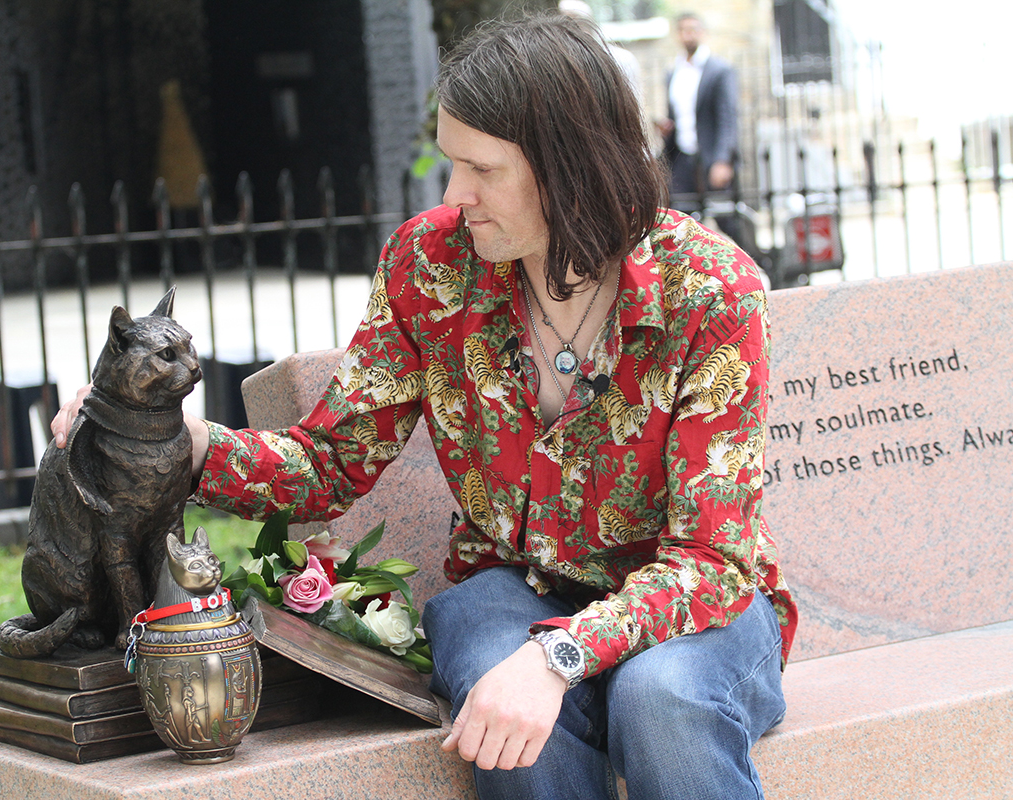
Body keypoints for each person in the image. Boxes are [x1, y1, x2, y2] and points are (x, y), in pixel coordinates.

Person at [53, 13, 795, 799]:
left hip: (691, 610)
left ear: (572, 168)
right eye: (450, 163)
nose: (455, 195)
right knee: (499, 711)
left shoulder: (712, 293)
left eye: (482, 169)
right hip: (514, 588)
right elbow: (331, 462)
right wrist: (185, 442)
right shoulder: (432, 264)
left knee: (662, 701)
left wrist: (558, 658)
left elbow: (710, 562)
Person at [658, 13, 760, 263]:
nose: (688, 34)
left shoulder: (720, 70)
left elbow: (728, 118)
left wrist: (723, 160)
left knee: (729, 221)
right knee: (678, 219)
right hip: (681, 157)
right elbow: (678, 115)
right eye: (683, 30)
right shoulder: (674, 73)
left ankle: (762, 264)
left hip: (711, 158)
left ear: (702, 32)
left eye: (693, 29)